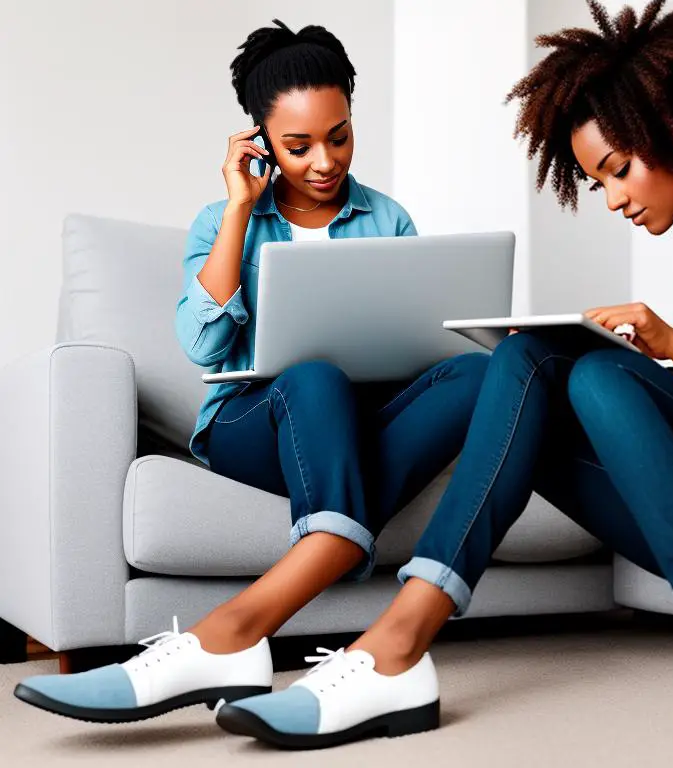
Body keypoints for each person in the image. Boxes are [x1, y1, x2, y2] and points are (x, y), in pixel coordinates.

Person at [201, 1, 673, 747]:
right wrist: (665, 364)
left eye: (619, 170)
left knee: (600, 377)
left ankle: (402, 646)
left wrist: (669, 345)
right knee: (527, 364)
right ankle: (400, 646)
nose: (615, 198)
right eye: (599, 182)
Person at [14, 19, 488, 725]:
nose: (324, 161)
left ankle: (271, 598)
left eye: (340, 136)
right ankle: (295, 580)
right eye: (297, 146)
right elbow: (203, 346)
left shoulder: (387, 219)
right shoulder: (221, 219)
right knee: (312, 375)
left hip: (357, 427)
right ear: (260, 140)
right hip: (255, 424)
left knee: (483, 374)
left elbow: (413, 339)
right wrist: (241, 207)